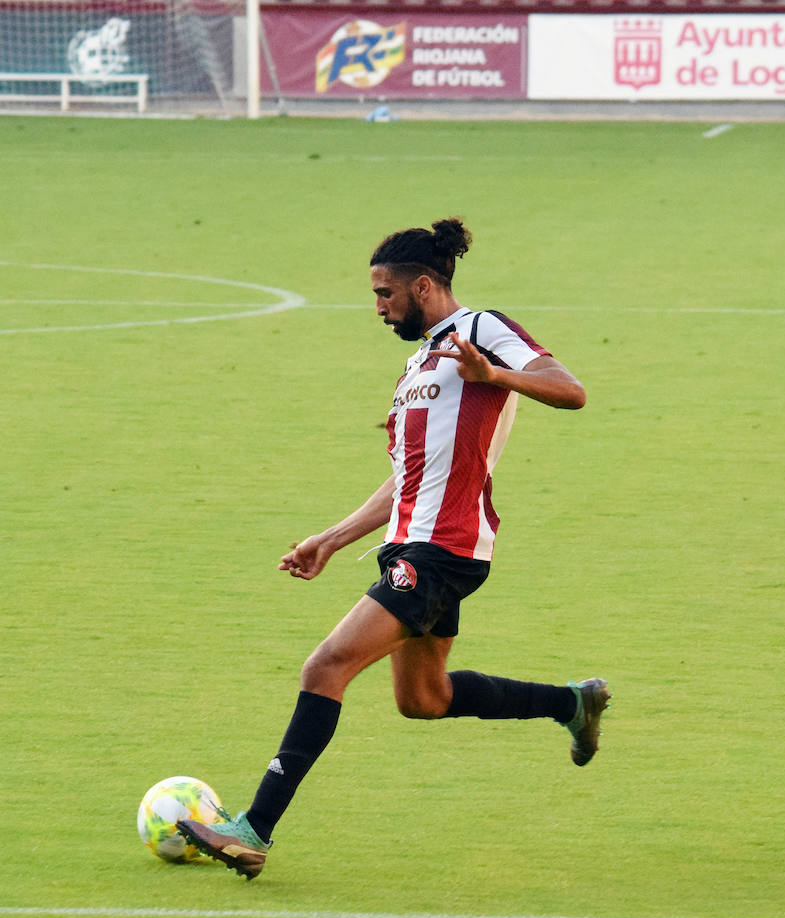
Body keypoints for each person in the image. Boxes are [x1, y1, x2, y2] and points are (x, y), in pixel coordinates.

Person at [178, 217, 608, 879]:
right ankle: (572, 702)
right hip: (412, 545)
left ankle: (253, 829)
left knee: (325, 668)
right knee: (423, 698)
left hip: (442, 549)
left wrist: (494, 372)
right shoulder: (417, 364)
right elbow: (407, 477)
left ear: (425, 286)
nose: (378, 306)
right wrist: (332, 536)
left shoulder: (479, 329)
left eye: (385, 293)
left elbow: (570, 389)